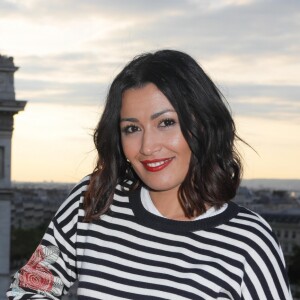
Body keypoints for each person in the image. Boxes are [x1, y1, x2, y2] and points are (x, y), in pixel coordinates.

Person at [7, 50, 292, 300]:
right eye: (132, 128)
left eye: (166, 123)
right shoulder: (93, 200)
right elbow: (27, 289)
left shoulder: (248, 241)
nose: (147, 147)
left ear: (203, 125)